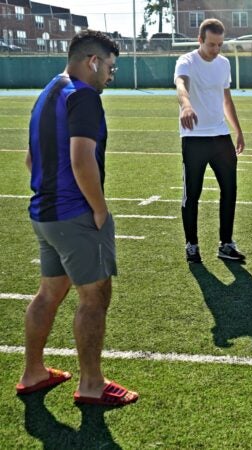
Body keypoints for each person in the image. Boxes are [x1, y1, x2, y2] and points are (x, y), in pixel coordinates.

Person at [17, 29, 138, 407]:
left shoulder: (49, 90)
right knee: (94, 298)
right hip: (75, 215)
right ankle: (91, 384)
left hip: (44, 213)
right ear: (93, 61)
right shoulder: (84, 97)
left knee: (49, 294)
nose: (111, 76)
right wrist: (99, 209)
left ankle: (33, 372)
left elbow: (30, 158)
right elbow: (81, 158)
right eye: (110, 68)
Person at [175, 18, 246, 264]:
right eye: (211, 44)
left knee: (230, 190)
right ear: (200, 40)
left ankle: (226, 243)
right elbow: (181, 86)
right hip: (194, 138)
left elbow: (226, 99)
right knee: (192, 194)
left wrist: (237, 130)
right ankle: (192, 245)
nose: (216, 50)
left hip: (220, 136)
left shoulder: (224, 63)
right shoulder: (186, 61)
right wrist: (186, 106)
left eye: (220, 45)